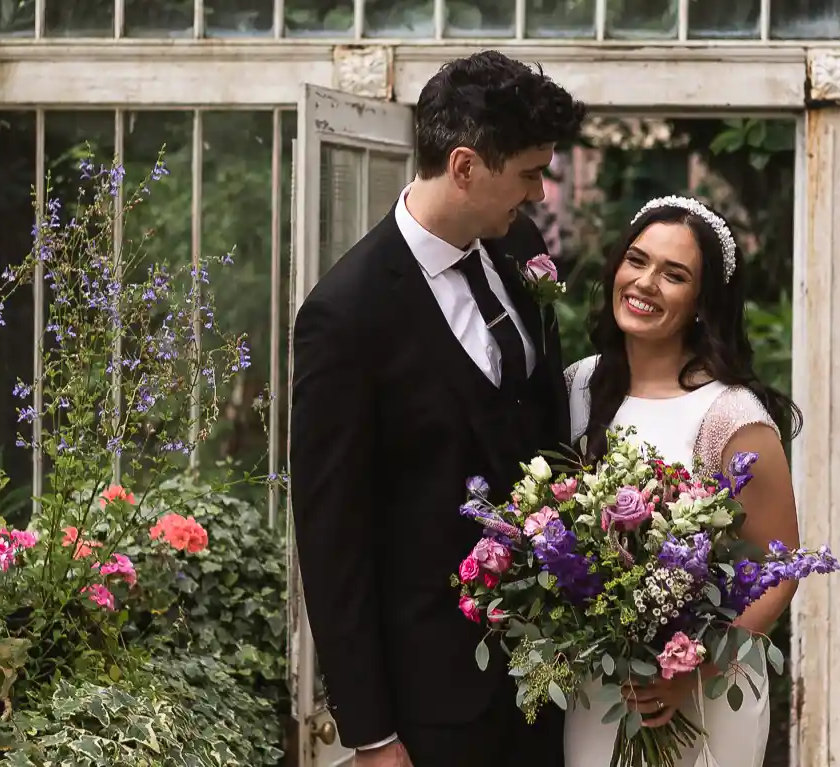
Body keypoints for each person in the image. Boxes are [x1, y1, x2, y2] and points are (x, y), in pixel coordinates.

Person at [288, 51, 586, 767]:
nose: (540, 193)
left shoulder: (517, 246)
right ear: (462, 166)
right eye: (526, 173)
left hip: (543, 682)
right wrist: (372, 733)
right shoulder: (345, 315)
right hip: (430, 707)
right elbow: (331, 540)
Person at [562, 196, 803, 767]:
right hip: (598, 689)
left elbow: (781, 565)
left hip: (701, 695)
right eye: (636, 261)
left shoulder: (729, 415)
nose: (645, 283)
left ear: (701, 303)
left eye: (674, 275)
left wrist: (691, 667)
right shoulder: (576, 387)